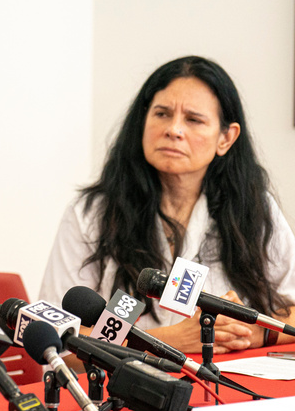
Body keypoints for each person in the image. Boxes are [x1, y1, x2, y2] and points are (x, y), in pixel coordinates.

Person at [39, 55, 295, 354]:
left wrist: (251, 333)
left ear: (226, 138)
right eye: (162, 114)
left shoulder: (252, 208)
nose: (174, 129)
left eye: (193, 119)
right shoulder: (91, 214)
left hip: (225, 376)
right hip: (121, 380)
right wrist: (170, 340)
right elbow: (55, 339)